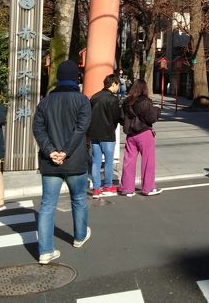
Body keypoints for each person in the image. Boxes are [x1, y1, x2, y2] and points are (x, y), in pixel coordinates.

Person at [33, 59, 92, 265]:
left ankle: (45, 251)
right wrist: (65, 151)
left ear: (58, 77)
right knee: (79, 200)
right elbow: (81, 128)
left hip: (50, 164)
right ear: (76, 77)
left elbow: (38, 129)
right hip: (75, 161)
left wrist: (51, 152)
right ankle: (79, 236)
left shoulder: (45, 102)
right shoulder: (82, 100)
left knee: (48, 205)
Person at [119, 79, 161, 197]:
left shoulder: (126, 102)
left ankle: (127, 189)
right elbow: (151, 118)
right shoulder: (146, 101)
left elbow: (122, 118)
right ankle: (148, 188)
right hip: (144, 133)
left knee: (129, 161)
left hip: (130, 134)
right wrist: (157, 110)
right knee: (148, 161)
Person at [87, 73, 121, 199]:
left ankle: (96, 189)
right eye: (118, 85)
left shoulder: (94, 97)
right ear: (113, 84)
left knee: (96, 162)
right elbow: (116, 117)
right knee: (108, 162)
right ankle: (108, 186)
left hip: (94, 134)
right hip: (107, 134)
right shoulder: (113, 99)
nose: (118, 88)